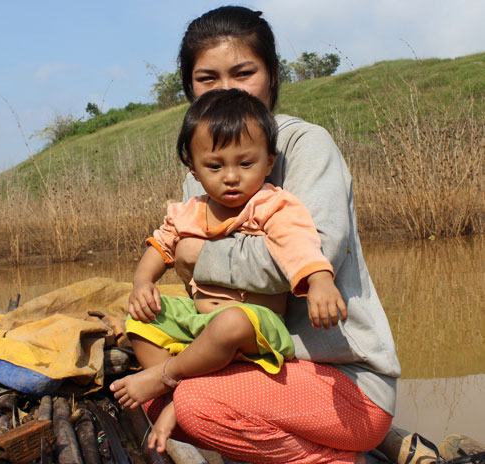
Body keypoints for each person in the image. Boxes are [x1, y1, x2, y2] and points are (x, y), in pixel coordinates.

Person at [127, 6, 400, 463]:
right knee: (147, 368)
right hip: (264, 367)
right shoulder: (202, 170)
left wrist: (197, 255)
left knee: (190, 403)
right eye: (206, 78)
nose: (226, 89)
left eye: (243, 72)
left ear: (272, 76)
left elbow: (312, 253)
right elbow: (183, 262)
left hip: (343, 379)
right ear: (188, 88)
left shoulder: (305, 145)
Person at [111, 87, 347, 452]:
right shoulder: (189, 211)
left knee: (231, 322)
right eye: (216, 166)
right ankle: (189, 387)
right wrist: (142, 282)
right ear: (194, 168)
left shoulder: (273, 205)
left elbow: (299, 244)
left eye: (246, 163)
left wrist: (320, 281)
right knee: (142, 319)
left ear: (269, 162)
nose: (232, 177)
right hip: (200, 321)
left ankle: (169, 380)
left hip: (256, 326)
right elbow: (160, 244)